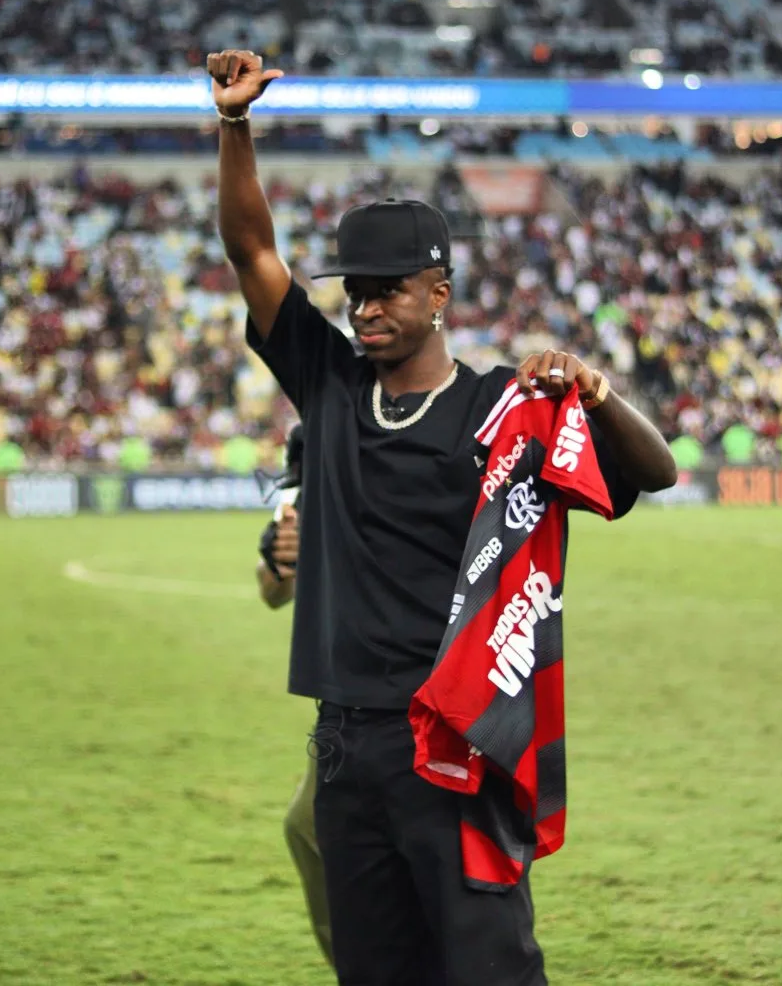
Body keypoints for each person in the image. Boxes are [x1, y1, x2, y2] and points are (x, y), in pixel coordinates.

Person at [209, 48, 677, 986]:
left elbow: (652, 474)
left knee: (488, 968)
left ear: (440, 295)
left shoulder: (505, 409)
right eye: (355, 290)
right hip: (344, 748)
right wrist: (233, 126)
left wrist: (599, 393)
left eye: (388, 289)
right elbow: (254, 252)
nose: (365, 307)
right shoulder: (330, 385)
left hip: (457, 740)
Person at [255, 425, 334, 967]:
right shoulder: (303, 501)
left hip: (410, 690)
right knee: (307, 827)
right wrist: (284, 561)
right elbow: (272, 590)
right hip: (343, 700)